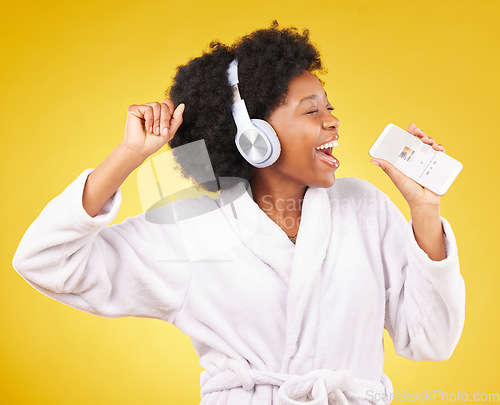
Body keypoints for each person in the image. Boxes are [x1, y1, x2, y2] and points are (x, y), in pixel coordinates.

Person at [12, 21, 465, 405]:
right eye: (312, 111)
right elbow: (46, 261)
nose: (332, 122)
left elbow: (431, 340)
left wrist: (425, 210)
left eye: (330, 107)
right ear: (254, 137)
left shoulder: (363, 206)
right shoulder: (191, 232)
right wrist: (129, 154)